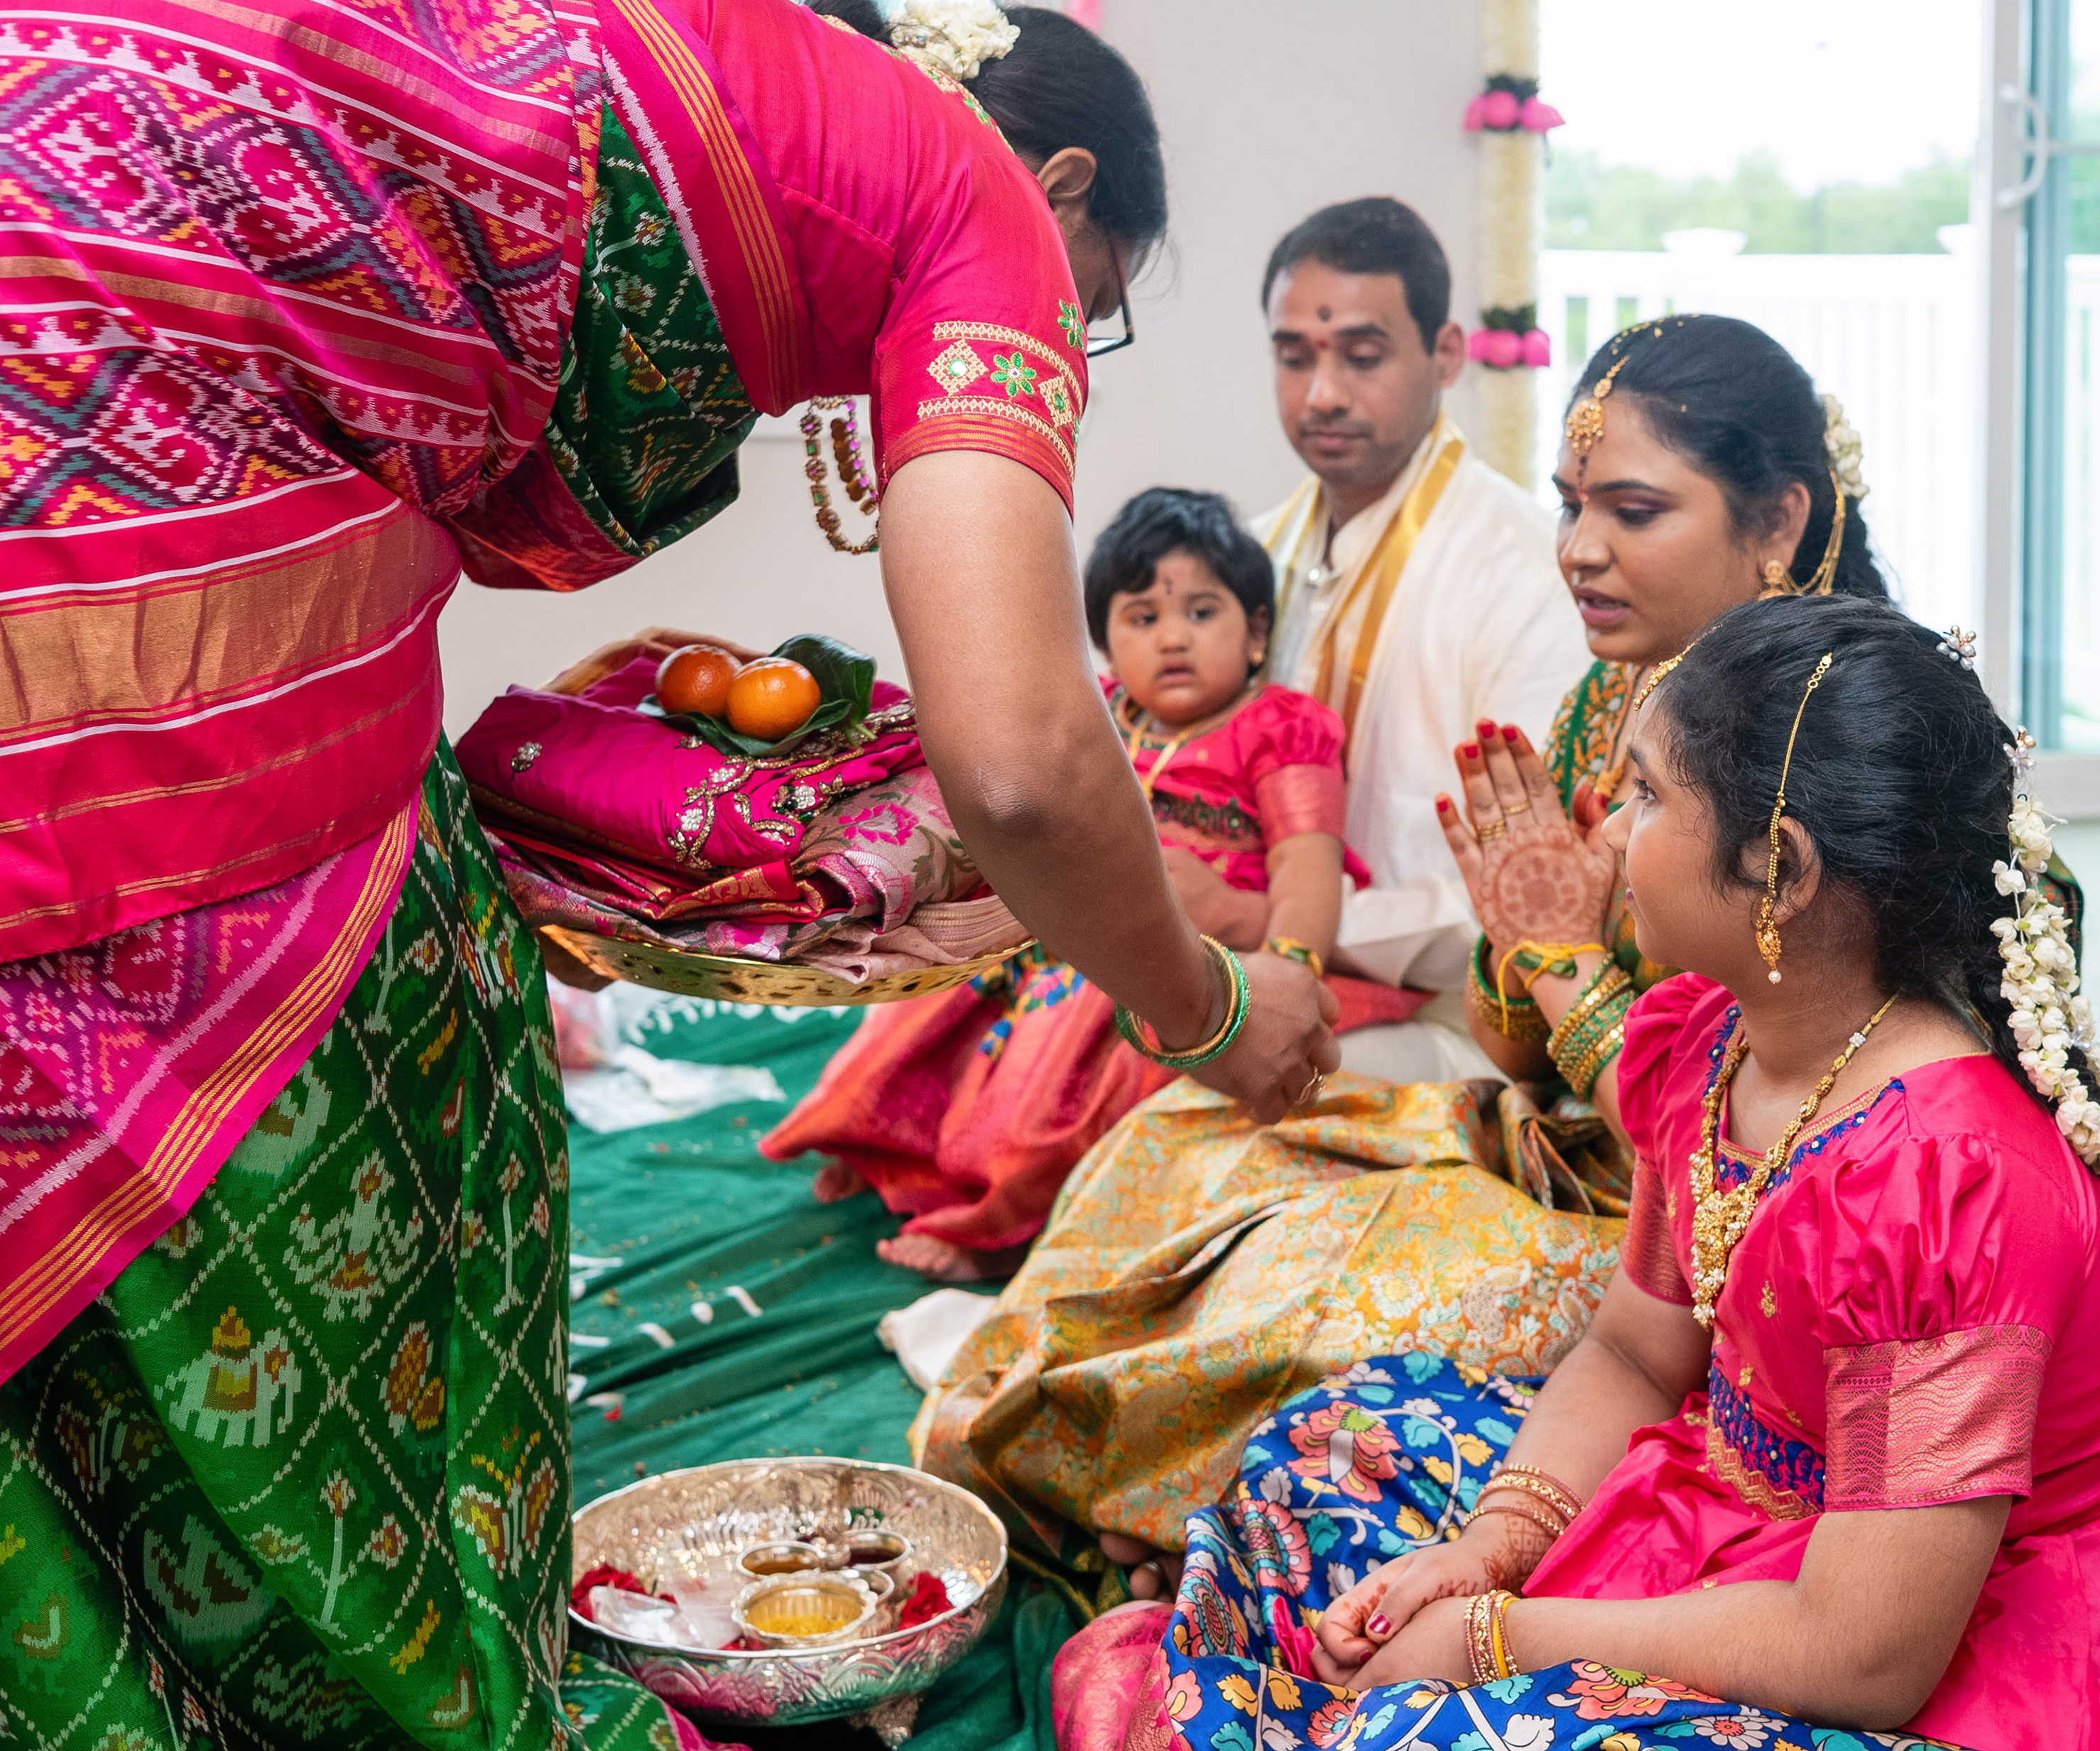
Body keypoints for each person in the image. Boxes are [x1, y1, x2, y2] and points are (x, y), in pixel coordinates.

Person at [0, 0, 1332, 1748]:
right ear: (1067, 189)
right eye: (1091, 306)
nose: (1068, 341)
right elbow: (1025, 763)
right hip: (107, 540)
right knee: (401, 1032)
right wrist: (1204, 1010)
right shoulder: (979, 202)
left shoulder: (737, 55)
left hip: (72, 165)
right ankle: (385, 1674)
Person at [1052, 596, 2100, 1751]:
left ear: (1775, 869)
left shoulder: (1945, 1177)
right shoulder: (1711, 1037)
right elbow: (1637, 1346)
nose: (1603, 834)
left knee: (1441, 1721)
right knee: (1324, 1447)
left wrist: (1501, 1640)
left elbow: (1867, 1651)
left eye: (1641, 797)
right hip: (1761, 1516)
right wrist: (1490, 1546)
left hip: (1963, 1629)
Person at [910, 316, 1886, 1588]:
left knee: (1346, 1296)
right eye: (1570, 504)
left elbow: (1784, 1167)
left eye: (1634, 510)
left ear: (1779, 520)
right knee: (1188, 1145)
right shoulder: (1616, 699)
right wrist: (1522, 948)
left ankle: (1186, 1509)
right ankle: (1152, 1488)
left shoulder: (1836, 757)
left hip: (1727, 1265)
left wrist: (1563, 963)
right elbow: (1511, 1044)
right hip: (1571, 1149)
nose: (1579, 549)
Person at [759, 489, 1424, 1280]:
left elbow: (1307, 865)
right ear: (1102, 644)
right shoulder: (1097, 714)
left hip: (1178, 961)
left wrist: (1286, 971)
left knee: (1051, 1082)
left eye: (1201, 613)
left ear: (1255, 634)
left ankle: (997, 1226)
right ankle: (890, 1160)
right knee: (915, 1019)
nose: (1172, 637)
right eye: (1142, 618)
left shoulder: (1280, 727)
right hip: (1057, 935)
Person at [1179, 197, 1589, 1078]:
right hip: (1241, 976)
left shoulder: (1526, 576)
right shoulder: (1249, 562)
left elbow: (1536, 893)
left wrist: (1262, 921)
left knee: (1179, 1103)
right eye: (1295, 357)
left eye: (1362, 357)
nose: (1323, 394)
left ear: (1446, 354)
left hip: (1455, 1027)